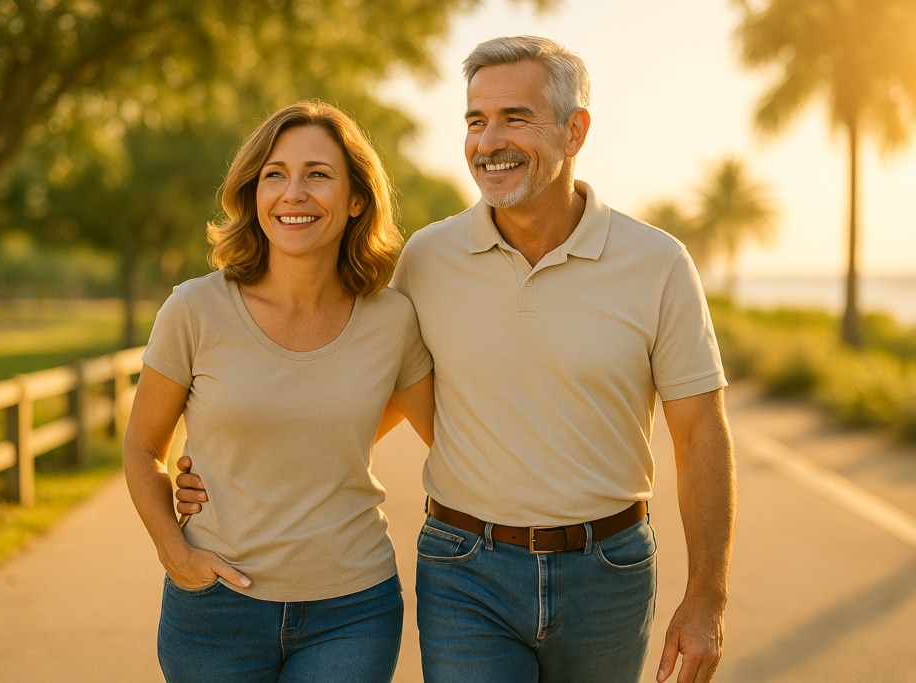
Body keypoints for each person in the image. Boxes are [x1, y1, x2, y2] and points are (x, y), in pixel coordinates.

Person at [177, 36, 737, 683]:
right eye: (475, 120)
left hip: (608, 570)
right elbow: (358, 392)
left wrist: (706, 598)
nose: (488, 140)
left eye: (514, 118)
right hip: (465, 566)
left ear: (574, 129)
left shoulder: (658, 263)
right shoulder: (428, 259)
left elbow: (699, 433)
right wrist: (233, 463)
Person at [123, 100, 435, 683]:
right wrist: (175, 552)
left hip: (354, 609)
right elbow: (143, 449)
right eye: (274, 174)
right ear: (253, 194)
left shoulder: (393, 320)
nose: (294, 192)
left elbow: (452, 437)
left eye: (318, 174)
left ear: (357, 199)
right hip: (215, 609)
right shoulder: (194, 309)